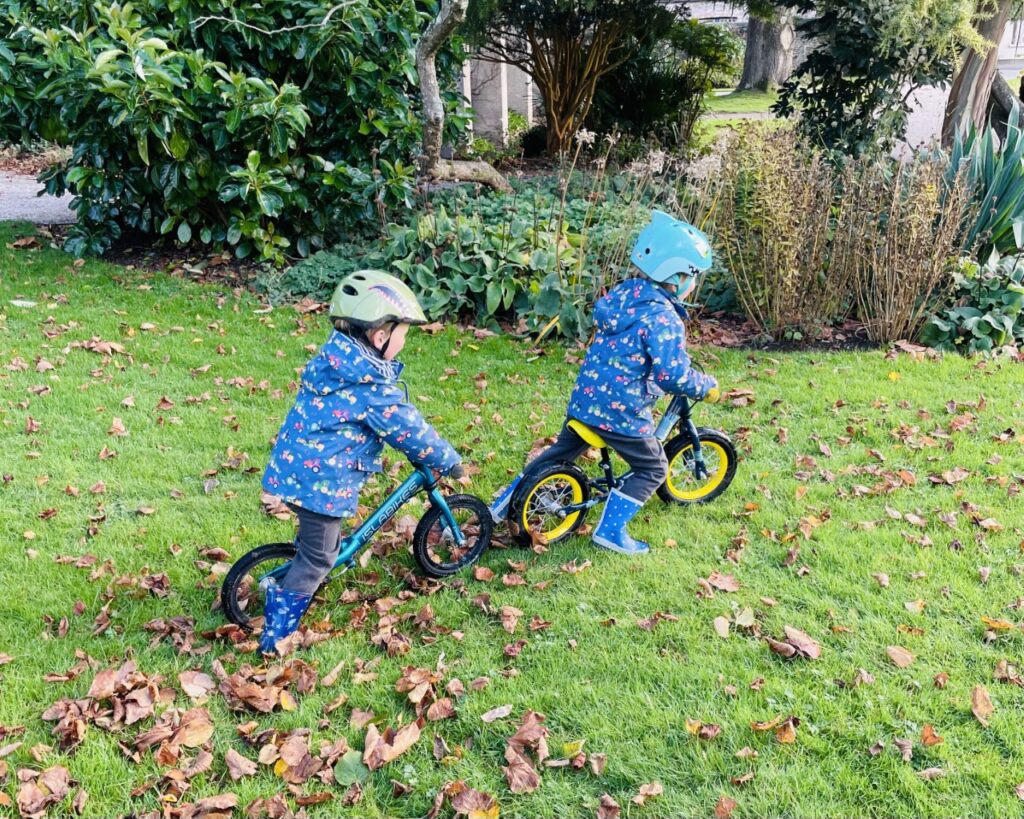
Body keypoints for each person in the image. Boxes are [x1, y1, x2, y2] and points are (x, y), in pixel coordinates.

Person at [490, 210, 719, 555]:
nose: (694, 284)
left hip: (585, 401)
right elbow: (671, 375)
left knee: (560, 452)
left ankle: (502, 502)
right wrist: (704, 386)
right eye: (694, 276)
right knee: (653, 466)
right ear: (678, 275)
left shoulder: (624, 296)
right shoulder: (664, 317)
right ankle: (611, 532)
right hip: (621, 414)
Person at [259, 270, 462, 652]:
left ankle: (298, 567)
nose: (404, 342)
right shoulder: (369, 388)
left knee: (319, 541)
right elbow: (409, 430)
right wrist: (446, 458)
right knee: (319, 559)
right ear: (380, 336)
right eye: (403, 334)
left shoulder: (338, 361)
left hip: (296, 466)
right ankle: (275, 637)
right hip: (319, 482)